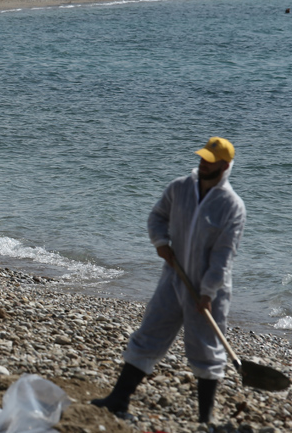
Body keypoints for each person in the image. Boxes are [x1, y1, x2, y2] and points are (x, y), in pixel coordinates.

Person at [91, 137, 246, 424]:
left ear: (224, 167)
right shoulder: (180, 187)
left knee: (207, 350)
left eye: (209, 162)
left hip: (208, 291)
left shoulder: (232, 207)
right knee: (149, 334)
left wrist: (208, 292)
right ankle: (118, 399)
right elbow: (157, 216)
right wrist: (160, 241)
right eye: (201, 158)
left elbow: (224, 257)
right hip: (174, 279)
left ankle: (204, 419)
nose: (202, 164)